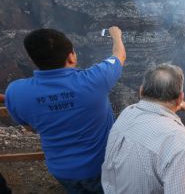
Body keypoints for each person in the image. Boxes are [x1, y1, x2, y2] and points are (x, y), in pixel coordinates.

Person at [5, 26, 126, 194]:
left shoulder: (15, 92)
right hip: (102, 166)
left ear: (34, 60)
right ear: (71, 57)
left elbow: (29, 127)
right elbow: (119, 55)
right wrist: (116, 36)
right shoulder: (96, 79)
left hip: (62, 171)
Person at [102, 63, 185, 194]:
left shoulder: (127, 113)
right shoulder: (182, 146)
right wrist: (176, 104)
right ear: (180, 97)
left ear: (141, 91)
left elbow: (154, 108)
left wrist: (177, 105)